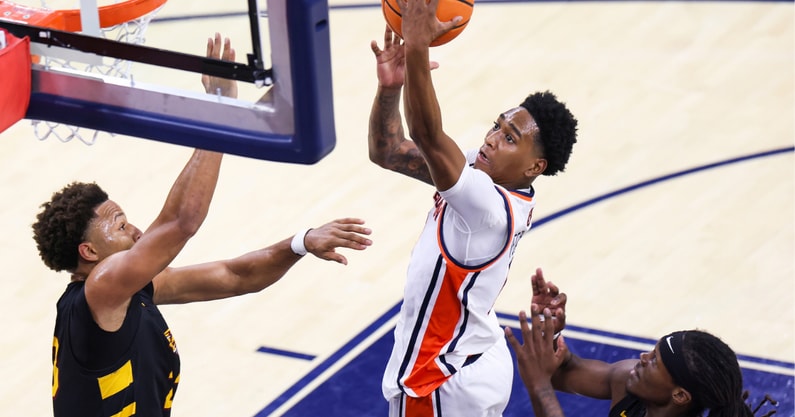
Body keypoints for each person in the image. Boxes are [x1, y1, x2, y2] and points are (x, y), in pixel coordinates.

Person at [34, 33, 372, 417]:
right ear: (89, 252)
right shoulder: (102, 289)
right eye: (121, 225)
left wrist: (300, 243)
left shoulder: (127, 291)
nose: (138, 231)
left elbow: (235, 276)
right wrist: (220, 113)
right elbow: (181, 222)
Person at [367, 0, 578, 413]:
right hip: (475, 354)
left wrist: (417, 47)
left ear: (536, 166)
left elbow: (428, 135)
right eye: (497, 125)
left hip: (441, 377)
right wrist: (391, 89)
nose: (492, 139)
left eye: (510, 138)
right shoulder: (484, 178)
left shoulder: (486, 206)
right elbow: (388, 151)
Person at [505, 278, 761, 417]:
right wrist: (550, 331)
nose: (643, 357)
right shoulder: (630, 382)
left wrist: (539, 386)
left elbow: (544, 381)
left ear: (680, 395)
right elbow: (565, 373)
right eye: (653, 350)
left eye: (655, 362)